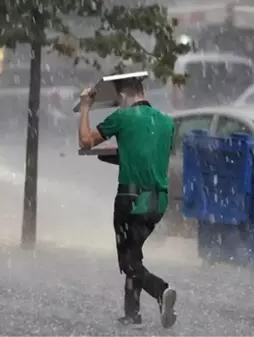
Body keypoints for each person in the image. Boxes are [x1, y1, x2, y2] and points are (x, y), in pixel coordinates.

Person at [78, 76, 178, 329]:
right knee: (134, 253)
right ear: (142, 91)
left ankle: (160, 290)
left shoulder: (122, 118)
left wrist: (86, 107)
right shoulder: (166, 122)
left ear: (122, 96)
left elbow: (85, 141)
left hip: (130, 199)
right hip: (158, 201)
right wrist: (124, 155)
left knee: (128, 261)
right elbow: (152, 156)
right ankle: (132, 313)